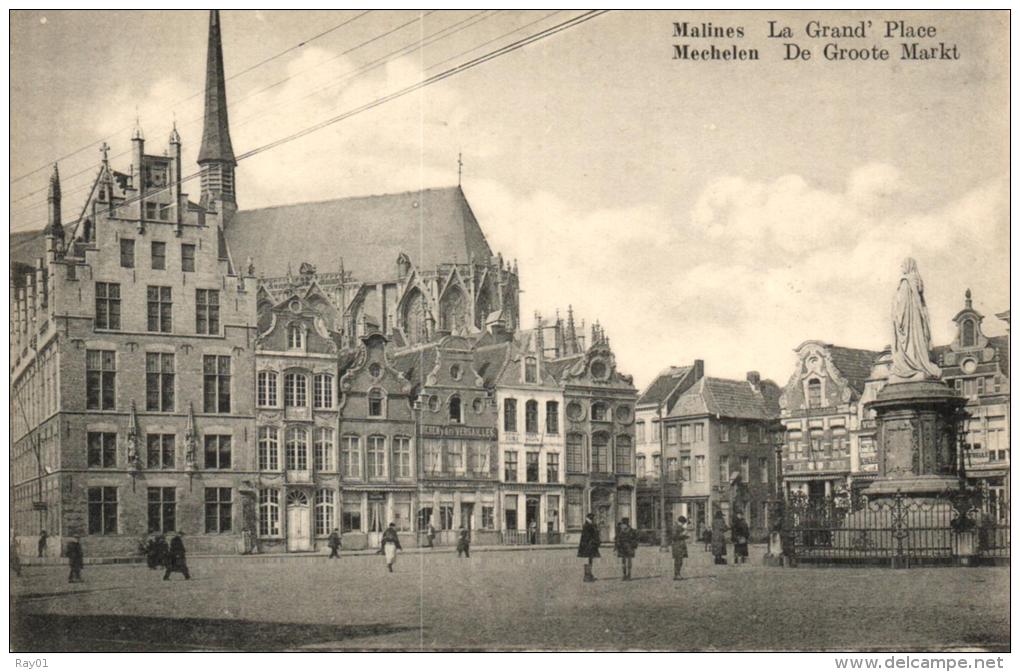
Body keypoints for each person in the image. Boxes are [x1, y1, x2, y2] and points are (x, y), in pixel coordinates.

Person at [577, 513, 601, 582]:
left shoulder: (589, 525)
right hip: (588, 546)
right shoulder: (588, 525)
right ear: (591, 519)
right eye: (594, 519)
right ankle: (587, 576)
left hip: (587, 545)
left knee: (589, 559)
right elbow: (589, 536)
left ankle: (589, 574)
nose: (594, 520)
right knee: (588, 560)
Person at [671, 516, 690, 580]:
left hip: (680, 545)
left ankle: (678, 574)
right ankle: (677, 574)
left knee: (680, 560)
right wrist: (683, 534)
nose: (683, 524)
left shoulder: (679, 527)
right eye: (683, 523)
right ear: (680, 522)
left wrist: (686, 536)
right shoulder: (676, 527)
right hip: (677, 546)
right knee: (678, 560)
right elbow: (674, 536)